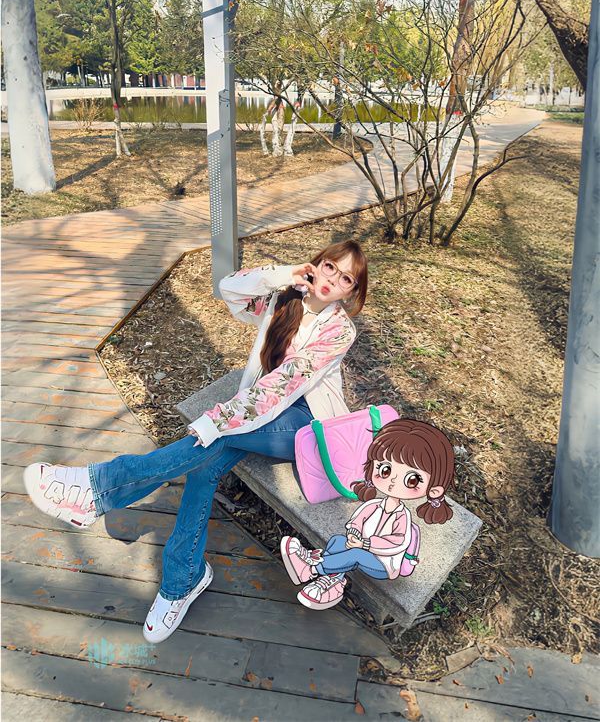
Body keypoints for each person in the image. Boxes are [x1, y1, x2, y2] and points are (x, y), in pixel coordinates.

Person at [23, 240, 368, 643]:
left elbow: (284, 385)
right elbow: (229, 288)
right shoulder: (283, 298)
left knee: (213, 440)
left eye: (346, 279)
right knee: (205, 464)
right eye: (330, 267)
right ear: (316, 264)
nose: (333, 280)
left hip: (304, 425)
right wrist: (283, 273)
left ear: (351, 292)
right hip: (261, 410)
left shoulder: (340, 330)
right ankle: (181, 580)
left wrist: (217, 421)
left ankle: (98, 487)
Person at [280, 419, 455, 609]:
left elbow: (396, 542)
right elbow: (356, 522)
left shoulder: (402, 516)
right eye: (386, 470)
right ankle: (333, 581)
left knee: (356, 555)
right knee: (338, 541)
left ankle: (312, 569)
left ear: (434, 490)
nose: (392, 481)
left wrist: (364, 544)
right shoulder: (373, 505)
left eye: (411, 480)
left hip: (384, 564)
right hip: (363, 547)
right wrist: (353, 534)